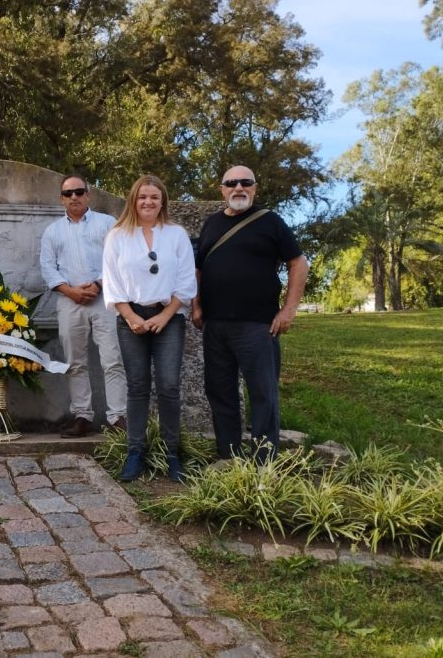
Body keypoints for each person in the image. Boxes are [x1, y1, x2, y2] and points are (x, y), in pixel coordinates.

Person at [191, 165, 309, 462]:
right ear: (222, 189)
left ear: (255, 188)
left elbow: (299, 263)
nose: (238, 188)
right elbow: (198, 268)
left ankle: (262, 463)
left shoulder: (271, 222)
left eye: (246, 183)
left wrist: (289, 309)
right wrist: (196, 305)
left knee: (262, 395)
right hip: (215, 325)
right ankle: (228, 457)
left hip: (258, 325)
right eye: (231, 183)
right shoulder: (211, 224)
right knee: (220, 393)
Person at [102, 175, 196, 482]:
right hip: (131, 318)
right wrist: (130, 316)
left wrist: (165, 316)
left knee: (169, 385)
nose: (148, 202)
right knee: (138, 385)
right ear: (134, 199)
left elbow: (185, 281)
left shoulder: (176, 234)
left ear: (162, 202)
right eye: (143, 196)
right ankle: (135, 453)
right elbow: (112, 281)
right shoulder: (117, 236)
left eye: (155, 197)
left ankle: (172, 454)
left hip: (168, 318)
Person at [40, 174, 127, 437]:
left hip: (105, 299)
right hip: (69, 301)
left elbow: (119, 258)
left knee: (113, 359)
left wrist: (99, 284)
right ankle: (82, 416)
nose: (74, 197)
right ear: (61, 199)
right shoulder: (53, 231)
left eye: (79, 192)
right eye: (68, 194)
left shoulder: (107, 223)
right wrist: (70, 291)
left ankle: (118, 417)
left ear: (88, 195)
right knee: (74, 362)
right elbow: (47, 267)